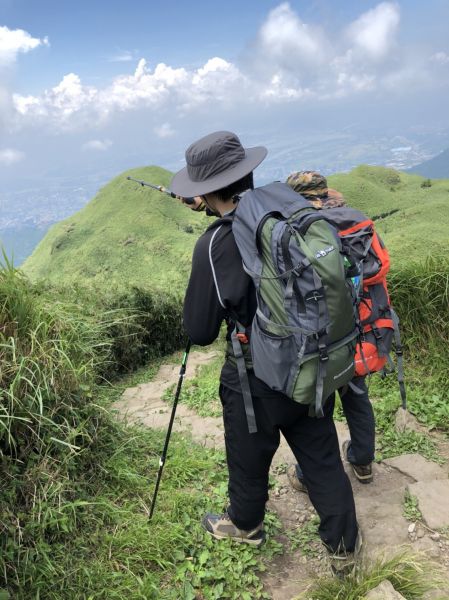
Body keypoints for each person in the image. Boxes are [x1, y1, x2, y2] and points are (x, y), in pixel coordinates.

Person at [171, 131, 361, 573]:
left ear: (203, 190)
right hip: (310, 361)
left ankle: (246, 524)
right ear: (248, 172)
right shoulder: (288, 215)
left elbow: (198, 330)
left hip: (254, 378)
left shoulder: (215, 245)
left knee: (248, 454)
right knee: (322, 456)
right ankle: (345, 548)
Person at [285, 171, 375, 490]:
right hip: (357, 327)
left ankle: (311, 475)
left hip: (320, 333)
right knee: (357, 394)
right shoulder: (349, 216)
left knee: (318, 404)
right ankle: (363, 461)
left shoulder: (302, 226)